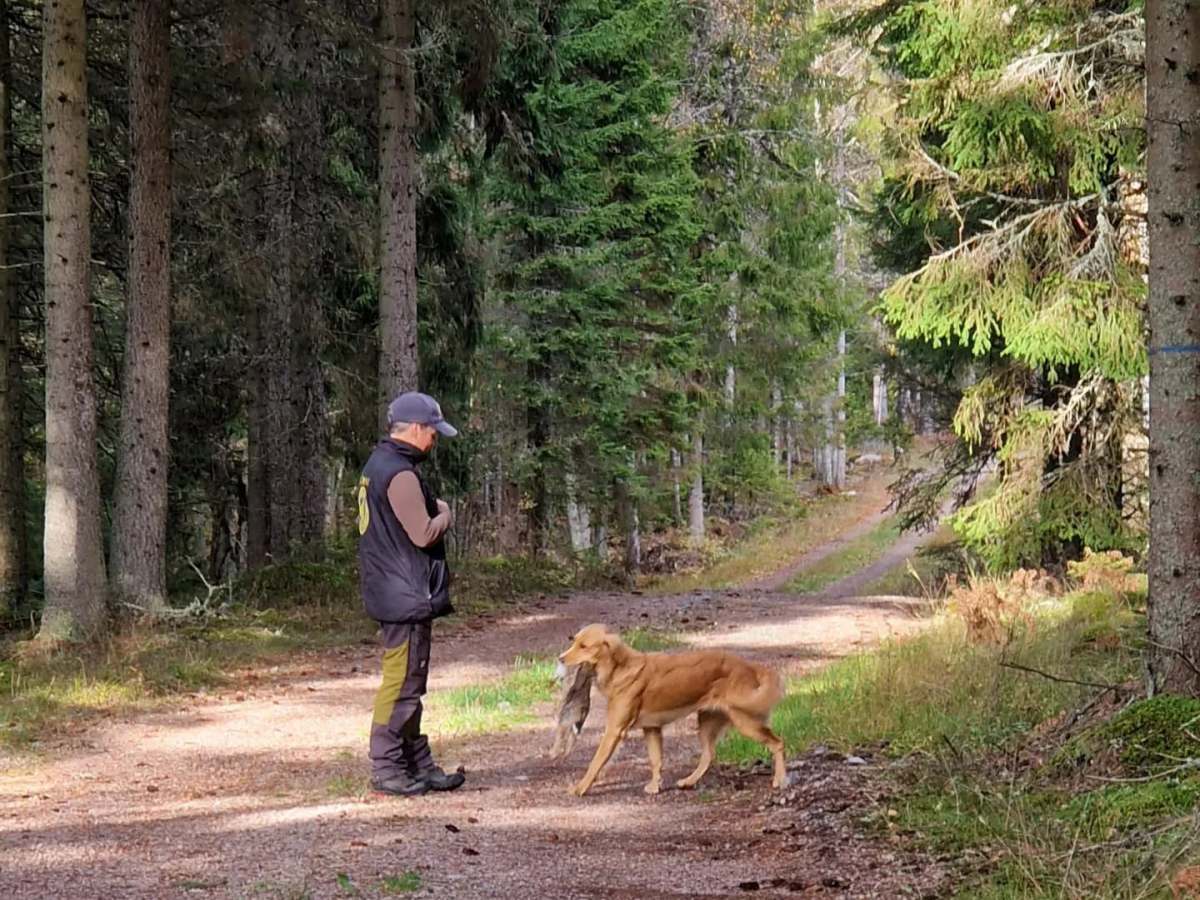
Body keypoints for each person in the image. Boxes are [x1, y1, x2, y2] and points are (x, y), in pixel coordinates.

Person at [356, 391, 466, 796]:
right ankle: (387, 768)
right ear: (417, 429)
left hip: (393, 588)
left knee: (410, 684)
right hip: (403, 593)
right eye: (433, 431)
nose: (435, 439)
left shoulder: (379, 464)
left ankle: (418, 764)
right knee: (400, 684)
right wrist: (446, 514)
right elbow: (423, 533)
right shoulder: (399, 473)